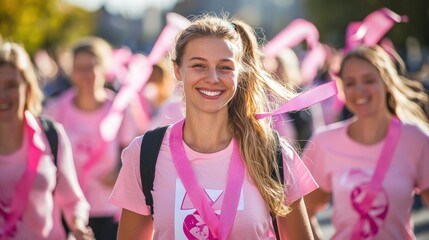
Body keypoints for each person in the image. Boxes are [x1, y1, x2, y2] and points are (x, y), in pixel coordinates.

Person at [110, 14, 317, 239]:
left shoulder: (273, 153)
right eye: (199, 65)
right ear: (178, 70)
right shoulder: (144, 154)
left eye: (225, 67)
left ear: (240, 72)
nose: (213, 78)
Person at [303, 45, 429, 240]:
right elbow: (304, 210)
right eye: (350, 83)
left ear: (386, 82)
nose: (359, 90)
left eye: (369, 80)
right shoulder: (324, 142)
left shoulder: (416, 139)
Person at [43, 36, 138, 240]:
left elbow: (133, 155)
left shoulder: (119, 109)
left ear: (104, 70)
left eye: (91, 67)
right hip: (66, 211)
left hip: (108, 210)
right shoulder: (55, 108)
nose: (84, 75)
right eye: (79, 68)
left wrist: (118, 172)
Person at [0, 41, 93, 239]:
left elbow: (73, 201)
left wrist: (77, 226)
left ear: (28, 88)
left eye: (11, 86)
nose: (2, 95)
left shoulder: (50, 134)